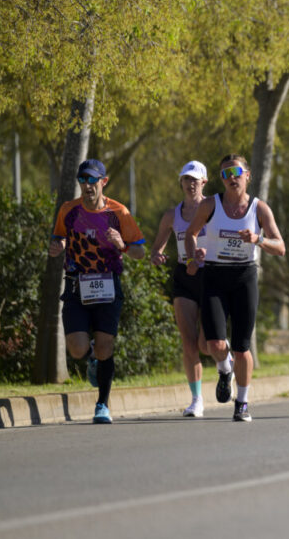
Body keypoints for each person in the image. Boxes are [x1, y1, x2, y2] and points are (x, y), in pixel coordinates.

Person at [184, 154, 285, 422]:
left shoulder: (259, 208)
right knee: (214, 344)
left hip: (244, 277)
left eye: (236, 172)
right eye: (225, 174)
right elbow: (190, 234)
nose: (231, 178)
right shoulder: (210, 204)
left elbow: (280, 246)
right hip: (215, 275)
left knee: (241, 347)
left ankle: (242, 402)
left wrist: (258, 239)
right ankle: (224, 368)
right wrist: (195, 254)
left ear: (247, 175)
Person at [48, 159, 146, 424]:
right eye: (83, 180)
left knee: (106, 348)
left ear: (104, 182)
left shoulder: (119, 212)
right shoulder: (68, 210)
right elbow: (60, 237)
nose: (87, 186)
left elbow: (140, 251)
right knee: (77, 349)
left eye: (93, 180)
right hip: (76, 284)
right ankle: (90, 355)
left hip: (107, 285)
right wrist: (57, 246)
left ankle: (102, 403)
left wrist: (122, 245)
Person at [149, 160, 214, 417]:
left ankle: (226, 358)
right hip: (184, 276)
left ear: (204, 183)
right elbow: (157, 248)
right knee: (188, 343)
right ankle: (196, 399)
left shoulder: (214, 210)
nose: (190, 184)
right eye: (186, 180)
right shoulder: (171, 215)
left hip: (211, 276)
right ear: (181, 183)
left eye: (195, 180)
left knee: (207, 344)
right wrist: (156, 256)